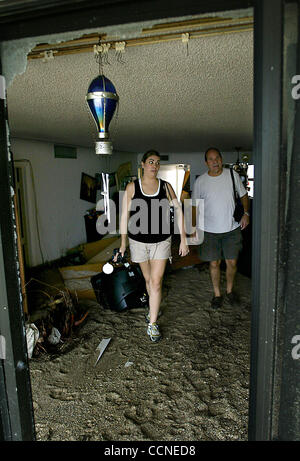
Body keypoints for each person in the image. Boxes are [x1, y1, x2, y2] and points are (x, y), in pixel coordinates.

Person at [114, 150, 189, 342]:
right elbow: (124, 216)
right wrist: (123, 244)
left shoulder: (165, 187)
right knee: (148, 281)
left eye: (157, 162)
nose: (154, 165)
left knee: (156, 281)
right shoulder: (132, 187)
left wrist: (183, 238)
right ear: (143, 165)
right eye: (150, 162)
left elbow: (178, 210)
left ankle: (152, 323)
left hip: (161, 241)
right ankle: (152, 309)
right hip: (138, 242)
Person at [191, 147, 250, 309]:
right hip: (209, 230)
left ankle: (230, 291)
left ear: (221, 159)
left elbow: (244, 195)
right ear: (206, 163)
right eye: (211, 159)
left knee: (231, 262)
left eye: (217, 158)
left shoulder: (232, 175)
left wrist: (246, 213)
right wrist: (194, 226)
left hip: (232, 229)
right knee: (214, 264)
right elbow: (194, 205)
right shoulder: (200, 181)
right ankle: (217, 294)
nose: (215, 161)